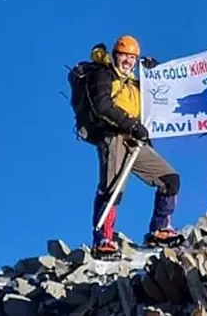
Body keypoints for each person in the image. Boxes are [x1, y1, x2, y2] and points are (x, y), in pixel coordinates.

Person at [81, 36, 183, 258]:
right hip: (114, 136)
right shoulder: (104, 73)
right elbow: (102, 106)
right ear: (115, 55)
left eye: (132, 57)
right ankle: (103, 239)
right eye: (124, 55)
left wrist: (154, 74)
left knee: (170, 179)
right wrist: (131, 125)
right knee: (112, 188)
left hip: (136, 140)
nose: (128, 61)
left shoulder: (136, 82)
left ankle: (160, 228)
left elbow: (159, 98)